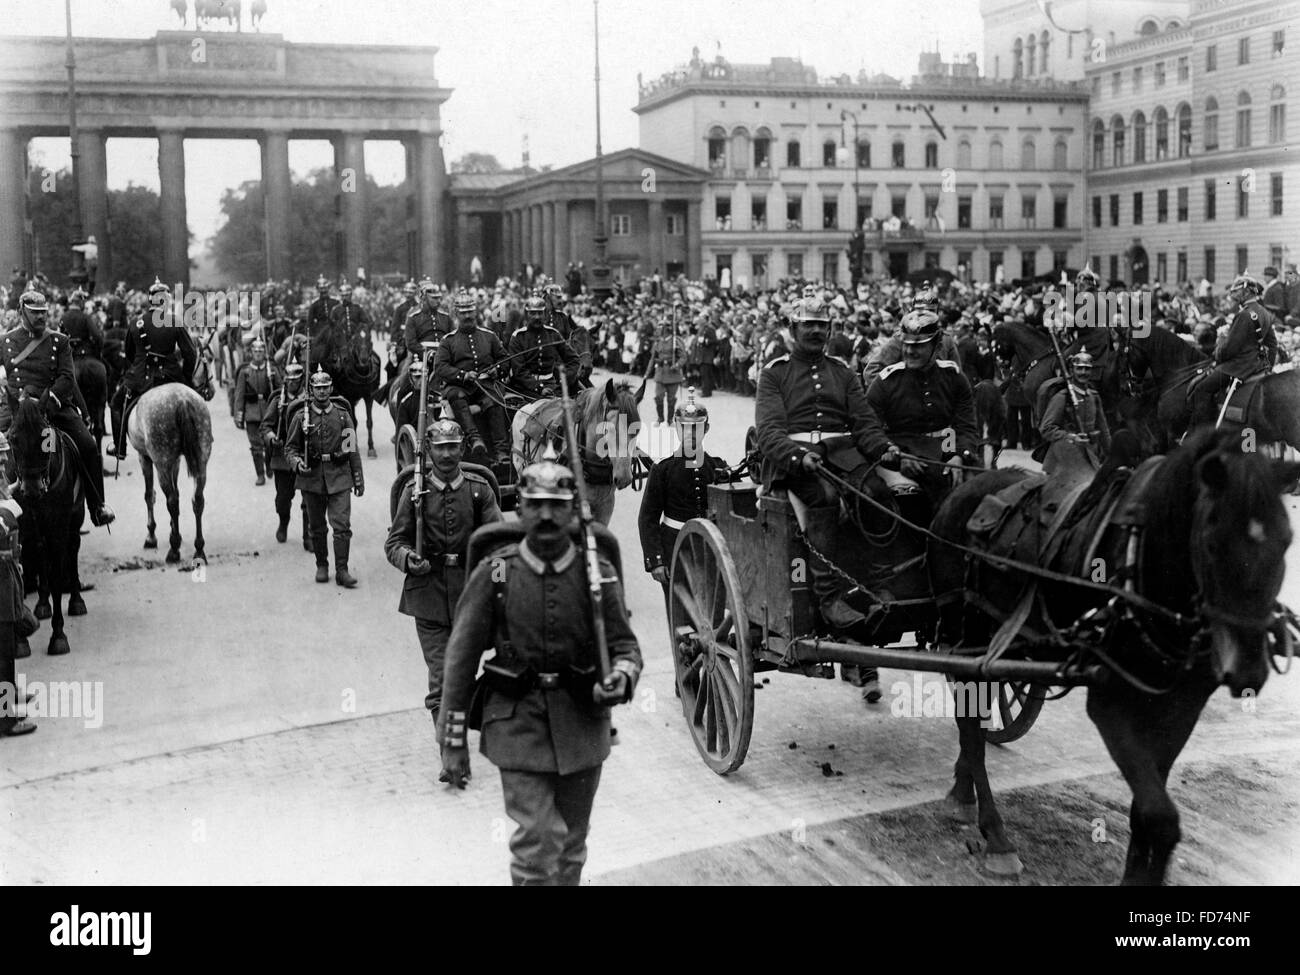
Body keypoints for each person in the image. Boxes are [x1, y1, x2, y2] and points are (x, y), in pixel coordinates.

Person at [438, 455, 642, 886]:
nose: (546, 514)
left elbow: (625, 647)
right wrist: (452, 741)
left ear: (573, 509)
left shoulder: (596, 571)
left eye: (556, 503)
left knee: (572, 846)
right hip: (515, 722)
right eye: (535, 504)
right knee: (538, 840)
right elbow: (459, 658)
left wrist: (621, 678)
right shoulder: (496, 570)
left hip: (583, 723)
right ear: (520, 509)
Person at [754, 296, 891, 696]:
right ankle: (829, 597)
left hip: (843, 453)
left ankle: (879, 585)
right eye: (808, 324)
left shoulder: (843, 373)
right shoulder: (774, 374)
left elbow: (863, 424)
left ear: (830, 331)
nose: (816, 331)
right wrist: (797, 456)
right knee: (825, 499)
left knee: (879, 493)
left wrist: (883, 449)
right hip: (793, 460)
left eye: (822, 325)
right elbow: (769, 433)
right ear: (792, 330)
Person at [384, 419, 503, 742]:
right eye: (440, 448)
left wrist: (496, 582)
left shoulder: (479, 490)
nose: (447, 454)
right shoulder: (414, 493)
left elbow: (500, 545)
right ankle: (451, 750)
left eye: (453, 447)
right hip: (428, 599)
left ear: (463, 448)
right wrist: (409, 559)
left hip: (471, 599)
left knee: (462, 676)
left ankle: (457, 733)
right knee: (441, 679)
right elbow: (394, 544)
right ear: (429, 452)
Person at [1, 289, 115, 527]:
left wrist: (49, 400)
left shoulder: (59, 341)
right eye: (35, 313)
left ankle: (97, 506)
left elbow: (66, 378)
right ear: (22, 312)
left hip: (51, 408)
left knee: (88, 445)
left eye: (43, 313)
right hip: (16, 411)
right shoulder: (6, 341)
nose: (41, 318)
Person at [866, 308, 980, 512]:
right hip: (903, 456)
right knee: (906, 498)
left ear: (936, 345)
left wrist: (959, 456)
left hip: (947, 451)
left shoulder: (954, 378)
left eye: (918, 346)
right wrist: (894, 453)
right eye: (907, 345)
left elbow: (966, 427)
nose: (910, 351)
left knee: (978, 495)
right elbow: (868, 429)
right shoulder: (886, 381)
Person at [637, 389, 730, 608]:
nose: (691, 434)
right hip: (675, 550)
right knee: (680, 611)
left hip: (710, 549)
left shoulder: (718, 467)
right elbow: (647, 518)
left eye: (697, 428)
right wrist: (656, 561)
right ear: (677, 428)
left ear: (706, 428)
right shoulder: (662, 469)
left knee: (712, 608)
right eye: (685, 428)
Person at [285, 368, 364, 587]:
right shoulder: (302, 417)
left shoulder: (342, 415)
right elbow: (290, 448)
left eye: (325, 387)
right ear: (311, 389)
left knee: (342, 526)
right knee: (317, 527)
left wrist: (358, 478)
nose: (321, 392)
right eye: (317, 388)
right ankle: (322, 564)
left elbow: (351, 449)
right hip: (312, 478)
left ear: (331, 388)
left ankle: (342, 570)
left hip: (339, 476)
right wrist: (296, 462)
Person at [111, 277, 199, 461]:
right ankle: (198, 439)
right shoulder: (175, 321)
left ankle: (120, 447)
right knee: (195, 403)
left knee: (116, 405)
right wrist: (186, 377)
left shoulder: (136, 322)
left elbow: (129, 354)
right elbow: (190, 354)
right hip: (171, 376)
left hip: (142, 379)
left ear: (150, 300)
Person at [1189, 271, 1277, 428]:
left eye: (1235, 292)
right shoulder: (1265, 313)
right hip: (1257, 366)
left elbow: (1230, 349)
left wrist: (1216, 353)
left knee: (1202, 389)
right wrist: (1268, 366)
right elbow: (1272, 343)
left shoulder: (1243, 315)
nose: (1233, 296)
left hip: (1238, 367)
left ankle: (1201, 434)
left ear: (1244, 292)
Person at [434, 290, 510, 466]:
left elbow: (504, 359)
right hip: (459, 386)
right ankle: (474, 439)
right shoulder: (448, 341)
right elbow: (441, 367)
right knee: (456, 396)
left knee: (494, 400)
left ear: (475, 312)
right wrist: (463, 375)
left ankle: (501, 451)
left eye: (470, 311)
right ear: (456, 314)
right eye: (463, 312)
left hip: (485, 386)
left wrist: (496, 371)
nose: (467, 316)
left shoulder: (489, 336)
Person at [262, 361, 310, 547]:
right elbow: (265, 426)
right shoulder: (277, 401)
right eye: (289, 380)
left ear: (301, 381)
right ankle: (283, 523)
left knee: (309, 500)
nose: (292, 384)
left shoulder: (310, 400)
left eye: (296, 380)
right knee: (283, 499)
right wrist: (272, 437)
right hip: (282, 457)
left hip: (305, 455)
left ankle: (308, 536)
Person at [1038, 351, 1110, 474]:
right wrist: (1071, 437)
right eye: (1079, 369)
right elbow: (1046, 428)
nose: (1083, 373)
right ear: (1072, 371)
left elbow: (1104, 431)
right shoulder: (1063, 397)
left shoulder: (1094, 397)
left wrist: (1112, 456)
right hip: (1063, 458)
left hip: (1089, 456)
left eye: (1087, 369)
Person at [507, 295, 579, 395]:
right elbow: (519, 371)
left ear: (545, 314)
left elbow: (574, 359)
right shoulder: (518, 337)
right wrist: (539, 388)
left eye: (540, 313)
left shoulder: (553, 334)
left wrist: (564, 380)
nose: (537, 317)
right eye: (533, 313)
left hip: (552, 386)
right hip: (524, 389)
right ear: (526, 314)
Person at [234, 338, 280, 486]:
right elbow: (239, 395)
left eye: (261, 351)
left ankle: (269, 465)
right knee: (255, 446)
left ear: (264, 352)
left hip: (269, 412)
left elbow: (280, 391)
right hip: (252, 413)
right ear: (251, 353)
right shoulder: (245, 372)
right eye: (255, 351)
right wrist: (238, 415)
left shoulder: (271, 370)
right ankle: (260, 474)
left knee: (270, 444)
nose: (258, 353)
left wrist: (273, 382)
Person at [650, 317, 687, 423]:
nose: (658, 328)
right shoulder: (658, 342)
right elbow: (652, 358)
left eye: (660, 326)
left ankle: (670, 419)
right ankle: (660, 418)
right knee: (658, 397)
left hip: (673, 374)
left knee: (671, 399)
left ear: (666, 328)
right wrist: (646, 374)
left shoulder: (676, 341)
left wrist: (677, 365)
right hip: (660, 373)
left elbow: (683, 357)